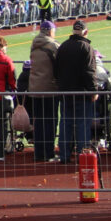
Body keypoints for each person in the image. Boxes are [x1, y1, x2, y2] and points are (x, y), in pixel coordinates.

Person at [53, 20, 95, 163]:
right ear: (85, 32)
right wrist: (93, 90)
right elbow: (89, 72)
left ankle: (64, 155)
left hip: (65, 91)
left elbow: (56, 70)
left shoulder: (63, 46)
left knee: (66, 123)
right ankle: (83, 155)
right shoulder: (86, 47)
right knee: (82, 124)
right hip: (81, 92)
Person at [27, 20, 62, 162]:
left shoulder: (34, 44)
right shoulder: (53, 45)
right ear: (49, 31)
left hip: (35, 88)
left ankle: (39, 152)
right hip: (49, 88)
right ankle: (48, 153)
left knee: (39, 122)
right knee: (50, 121)